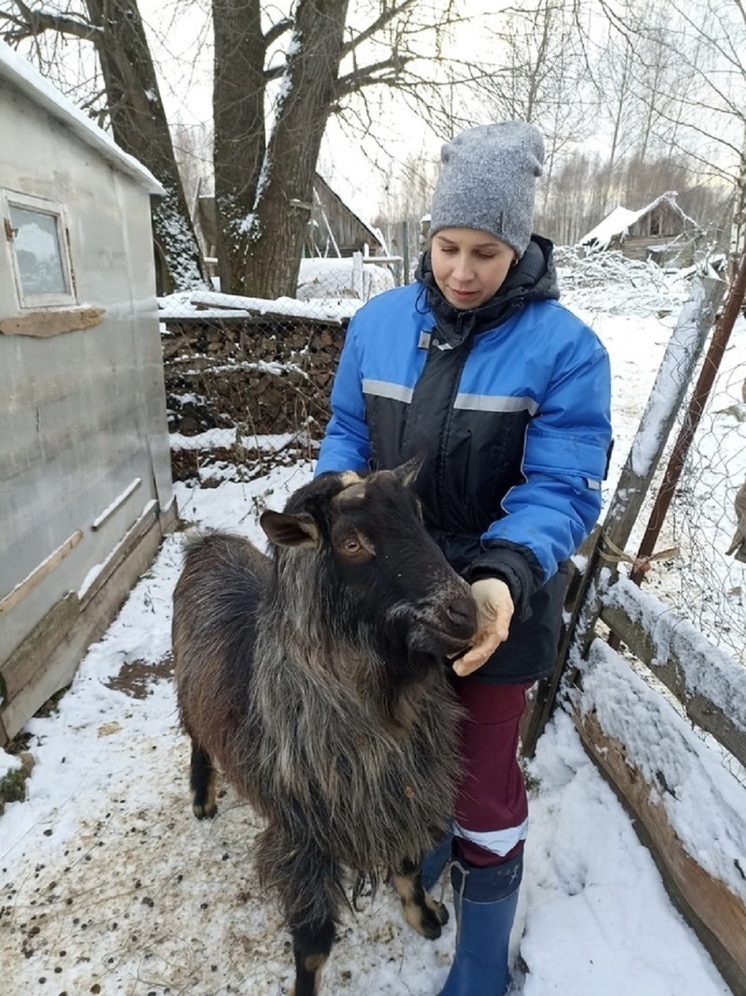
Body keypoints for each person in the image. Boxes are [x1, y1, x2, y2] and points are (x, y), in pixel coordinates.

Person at [314, 121, 613, 995]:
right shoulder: (375, 325)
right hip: (389, 600)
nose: (462, 270)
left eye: (486, 250)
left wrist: (503, 577)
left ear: (520, 246)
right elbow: (345, 430)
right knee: (406, 749)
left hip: (493, 601)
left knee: (483, 777)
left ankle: (482, 959)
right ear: (428, 237)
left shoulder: (567, 351)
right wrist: (339, 496)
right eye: (447, 246)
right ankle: (430, 843)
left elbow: (561, 488)